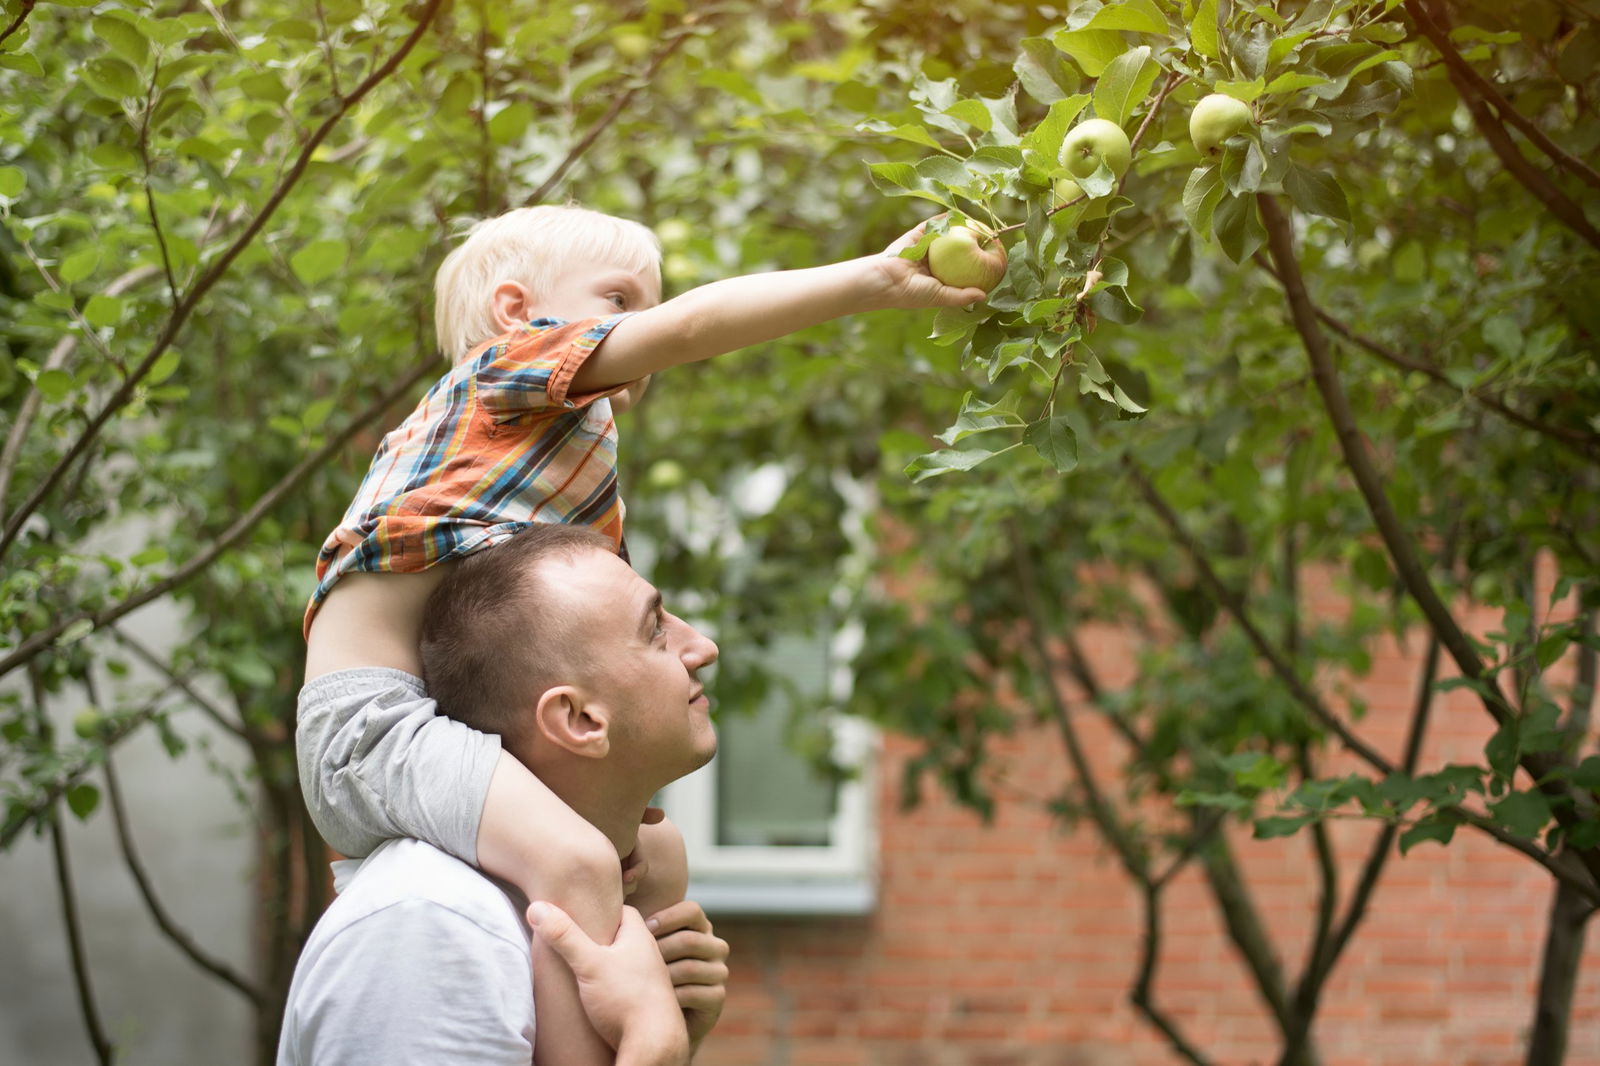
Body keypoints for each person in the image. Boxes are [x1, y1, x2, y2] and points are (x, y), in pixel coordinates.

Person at [295, 203, 987, 1062]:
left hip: (445, 718)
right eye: (619, 300)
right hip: (371, 728)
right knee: (580, 864)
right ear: (517, 309)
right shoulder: (503, 373)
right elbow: (694, 327)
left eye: (645, 304)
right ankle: (598, 1045)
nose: (641, 329)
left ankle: (646, 1011)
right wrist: (874, 280)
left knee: (654, 853)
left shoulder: (562, 456)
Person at [279, 525, 731, 1065]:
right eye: (655, 630)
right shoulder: (432, 928)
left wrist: (672, 1035)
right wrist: (655, 1045)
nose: (703, 648)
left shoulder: (585, 903)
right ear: (580, 719)